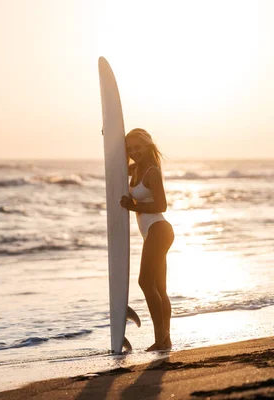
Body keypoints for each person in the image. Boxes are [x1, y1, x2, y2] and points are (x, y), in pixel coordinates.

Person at [120, 128, 174, 351]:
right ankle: (165, 340)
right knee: (160, 289)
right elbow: (116, 168)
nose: (134, 152)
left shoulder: (151, 171)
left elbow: (162, 205)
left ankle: (161, 338)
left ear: (148, 146)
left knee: (145, 282)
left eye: (138, 147)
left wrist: (135, 206)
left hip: (159, 230)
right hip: (152, 233)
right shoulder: (135, 168)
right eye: (130, 149)